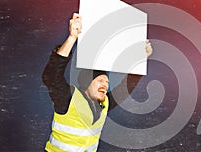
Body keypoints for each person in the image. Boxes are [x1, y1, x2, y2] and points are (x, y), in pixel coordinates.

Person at [42, 13, 153, 152]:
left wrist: (140, 59)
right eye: (100, 80)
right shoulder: (68, 99)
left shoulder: (105, 104)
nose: (105, 85)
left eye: (106, 82)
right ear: (87, 83)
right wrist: (72, 38)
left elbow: (126, 88)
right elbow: (50, 76)